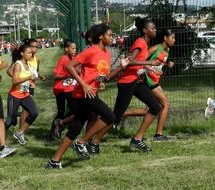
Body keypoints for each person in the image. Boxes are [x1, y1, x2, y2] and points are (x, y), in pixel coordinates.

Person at [46, 24, 129, 169]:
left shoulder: (106, 53)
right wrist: (84, 84)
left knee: (75, 128)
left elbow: (107, 77)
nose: (112, 37)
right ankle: (81, 142)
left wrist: (121, 66)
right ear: (101, 36)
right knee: (110, 116)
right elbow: (69, 66)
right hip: (83, 93)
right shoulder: (91, 51)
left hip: (91, 92)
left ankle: (54, 161)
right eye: (109, 35)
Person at [88, 17, 162, 153]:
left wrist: (147, 67)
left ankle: (137, 139)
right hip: (127, 82)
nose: (155, 30)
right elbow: (130, 61)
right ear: (145, 30)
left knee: (155, 106)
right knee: (115, 116)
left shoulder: (145, 44)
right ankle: (94, 142)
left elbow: (135, 62)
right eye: (153, 28)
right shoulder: (140, 42)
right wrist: (150, 63)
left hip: (137, 81)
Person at [123, 29, 175, 142]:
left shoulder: (167, 50)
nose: (174, 40)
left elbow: (158, 66)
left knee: (149, 110)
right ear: (165, 38)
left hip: (154, 80)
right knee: (166, 104)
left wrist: (166, 65)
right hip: (148, 80)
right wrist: (149, 67)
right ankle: (158, 134)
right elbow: (141, 59)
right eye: (172, 38)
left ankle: (120, 115)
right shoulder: (156, 48)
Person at [4, 44, 38, 145]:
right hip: (15, 95)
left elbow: (30, 78)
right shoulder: (18, 64)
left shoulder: (29, 65)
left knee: (34, 113)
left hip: (25, 95)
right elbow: (14, 81)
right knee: (10, 120)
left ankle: (20, 133)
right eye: (28, 53)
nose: (31, 54)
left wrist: (31, 82)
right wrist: (27, 78)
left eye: (31, 53)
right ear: (22, 53)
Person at [48, 40, 77, 139]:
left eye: (75, 48)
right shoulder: (63, 59)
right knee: (64, 111)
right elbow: (56, 76)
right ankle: (54, 131)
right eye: (72, 49)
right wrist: (68, 75)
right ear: (66, 49)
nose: (74, 50)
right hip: (61, 89)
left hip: (69, 88)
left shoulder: (73, 58)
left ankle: (58, 127)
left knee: (73, 109)